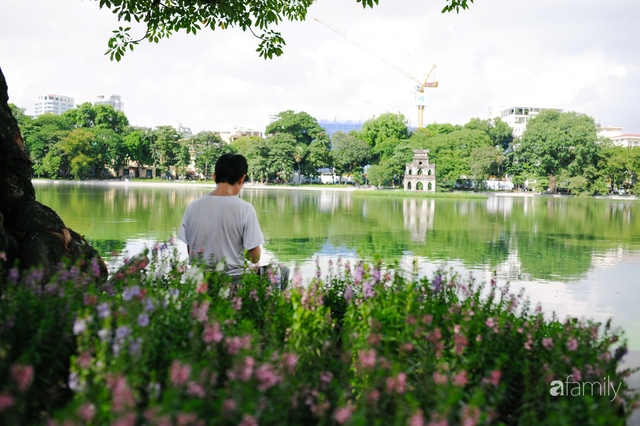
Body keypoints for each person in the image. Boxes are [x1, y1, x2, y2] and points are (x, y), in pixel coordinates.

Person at [178, 153, 263, 280]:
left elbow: (191, 250)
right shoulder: (245, 209)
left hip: (198, 281)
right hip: (233, 282)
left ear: (214, 176)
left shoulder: (193, 207)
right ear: (241, 179)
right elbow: (254, 257)